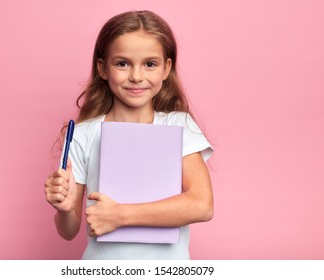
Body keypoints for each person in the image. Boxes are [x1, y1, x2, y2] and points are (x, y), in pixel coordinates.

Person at [44, 10, 214, 260]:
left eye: (150, 64)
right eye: (122, 63)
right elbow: (68, 231)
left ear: (166, 69)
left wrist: (120, 215)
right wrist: (66, 209)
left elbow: (202, 205)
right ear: (103, 68)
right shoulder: (83, 134)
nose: (136, 76)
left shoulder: (179, 126)